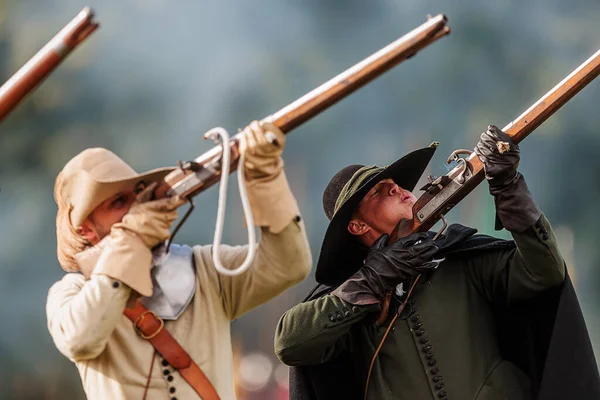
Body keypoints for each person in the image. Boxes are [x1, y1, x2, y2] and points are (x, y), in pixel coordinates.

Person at [274, 126, 600, 400]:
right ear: (357, 226)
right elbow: (290, 343)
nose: (398, 188)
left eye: (396, 184)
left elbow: (545, 273)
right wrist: (375, 279)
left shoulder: (460, 256)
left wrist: (507, 186)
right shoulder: (350, 296)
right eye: (378, 192)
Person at [46, 121, 312, 400]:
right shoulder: (71, 293)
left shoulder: (205, 268)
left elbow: (289, 265)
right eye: (117, 203)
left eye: (137, 193)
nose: (136, 205)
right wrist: (133, 238)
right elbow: (81, 340)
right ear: (86, 229)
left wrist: (264, 176)